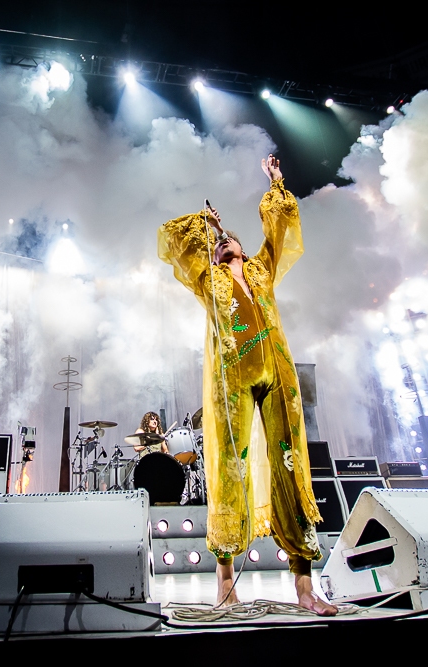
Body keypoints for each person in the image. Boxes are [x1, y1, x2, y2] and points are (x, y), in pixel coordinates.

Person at [158, 154, 336, 614]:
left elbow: (279, 233)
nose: (221, 246)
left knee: (290, 468)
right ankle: (224, 581)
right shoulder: (207, 280)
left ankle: (304, 588)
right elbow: (175, 241)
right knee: (229, 473)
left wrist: (277, 184)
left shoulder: (259, 270)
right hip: (231, 381)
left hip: (276, 373)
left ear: (239, 247)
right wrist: (206, 223)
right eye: (217, 245)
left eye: (227, 242)